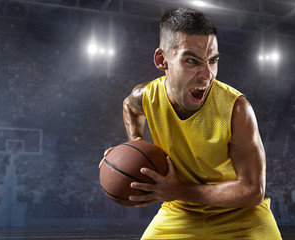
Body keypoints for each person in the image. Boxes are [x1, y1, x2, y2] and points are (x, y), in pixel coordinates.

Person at [105, 7, 282, 239]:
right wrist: (135, 143)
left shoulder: (237, 109)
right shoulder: (145, 95)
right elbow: (130, 106)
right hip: (180, 210)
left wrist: (178, 190)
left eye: (213, 60)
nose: (207, 75)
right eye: (192, 60)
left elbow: (252, 191)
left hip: (242, 217)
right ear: (162, 60)